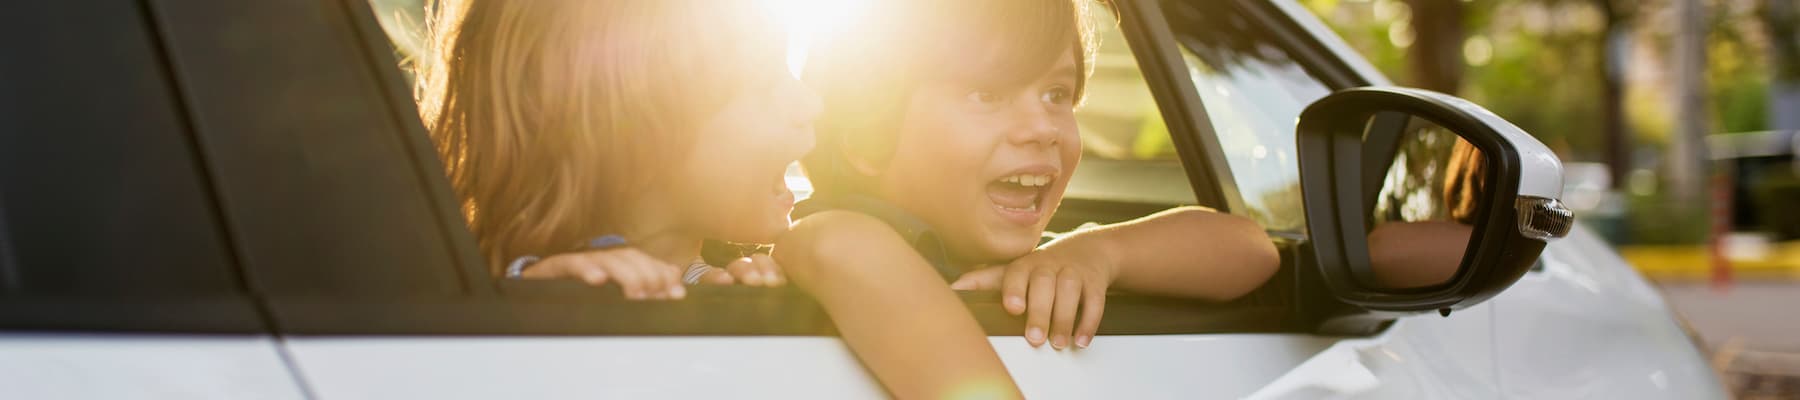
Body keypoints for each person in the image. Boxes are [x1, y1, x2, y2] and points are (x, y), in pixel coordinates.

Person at [775, 0, 1280, 397]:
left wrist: (1099, 254)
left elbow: (1253, 251)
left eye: (1057, 94)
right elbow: (838, 250)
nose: (1042, 128)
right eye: (987, 94)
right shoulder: (834, 235)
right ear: (867, 136)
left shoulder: (1045, 258)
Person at [414, 0, 816, 299]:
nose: (813, 105)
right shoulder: (473, 295)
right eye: (765, 83)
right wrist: (536, 296)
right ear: (634, 123)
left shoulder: (747, 284)